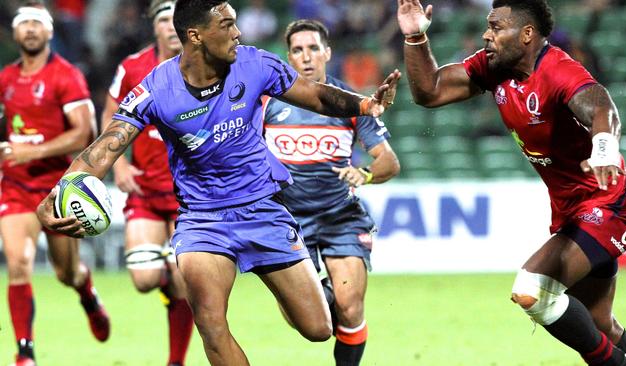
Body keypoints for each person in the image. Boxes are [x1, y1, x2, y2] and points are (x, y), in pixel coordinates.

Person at [36, 1, 400, 365]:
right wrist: (57, 194)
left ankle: (290, 287)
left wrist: (365, 105)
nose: (237, 33)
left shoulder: (255, 63)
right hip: (202, 219)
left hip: (263, 208)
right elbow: (104, 149)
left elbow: (316, 95)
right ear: (195, 36)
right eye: (227, 25)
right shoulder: (156, 90)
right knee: (211, 324)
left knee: (318, 328)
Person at [396, 1, 626, 365]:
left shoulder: (558, 70)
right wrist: (415, 36)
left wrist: (604, 147)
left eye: (496, 27)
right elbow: (429, 92)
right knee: (599, 324)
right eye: (488, 26)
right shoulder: (495, 67)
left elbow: (602, 107)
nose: (486, 34)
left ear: (527, 34)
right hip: (571, 211)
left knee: (532, 290)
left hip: (609, 206)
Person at [263, 19, 400, 366]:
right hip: (287, 221)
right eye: (297, 50)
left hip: (341, 215)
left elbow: (389, 161)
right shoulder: (266, 105)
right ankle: (319, 296)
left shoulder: (350, 103)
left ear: (327, 52)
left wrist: (365, 174)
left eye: (313, 48)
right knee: (306, 322)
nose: (306, 56)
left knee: (351, 307)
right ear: (288, 57)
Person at [0, 2, 109, 366]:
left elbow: (86, 132)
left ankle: (87, 293)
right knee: (19, 263)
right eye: (24, 24)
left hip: (56, 191)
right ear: (15, 33)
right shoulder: (6, 79)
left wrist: (35, 151)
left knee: (66, 273)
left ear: (49, 32)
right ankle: (24, 352)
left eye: (37, 23)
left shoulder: (66, 76)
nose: (30, 29)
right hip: (15, 187)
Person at [100, 1, 193, 365]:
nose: (172, 27)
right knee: (144, 279)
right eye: (165, 20)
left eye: (177, 21)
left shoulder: (202, 64)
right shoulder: (133, 67)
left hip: (191, 194)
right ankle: (169, 283)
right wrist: (119, 164)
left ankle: (176, 360)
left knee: (185, 278)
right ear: (153, 26)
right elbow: (110, 114)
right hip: (147, 190)